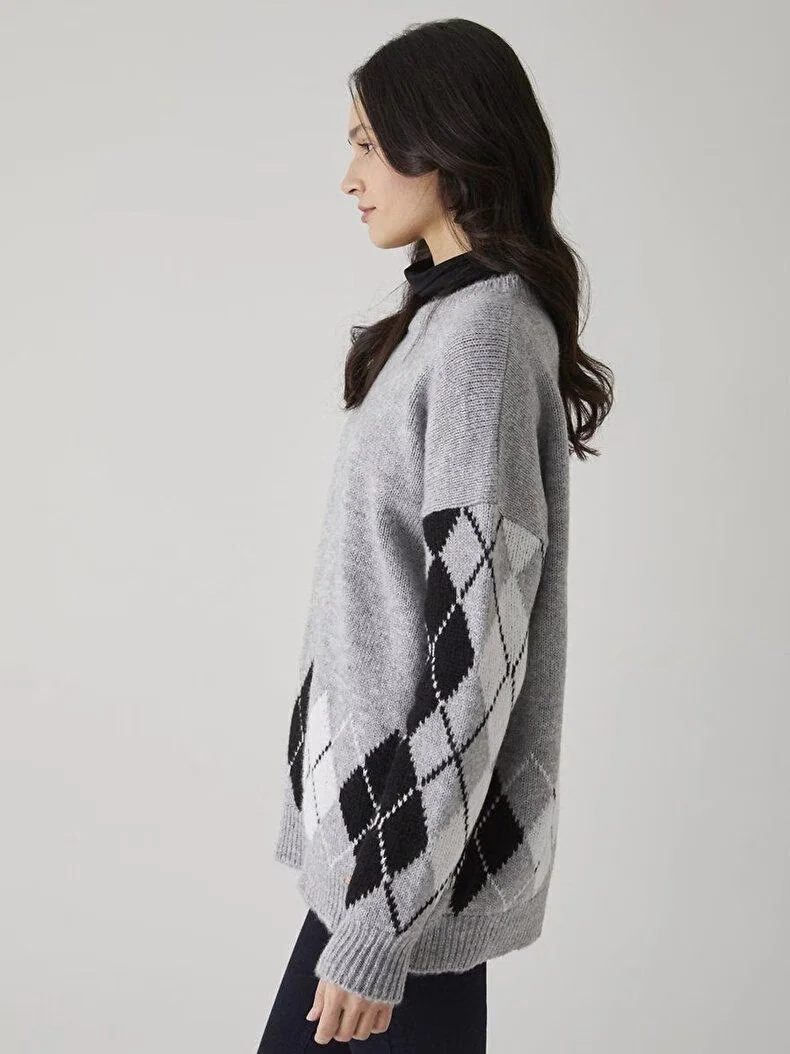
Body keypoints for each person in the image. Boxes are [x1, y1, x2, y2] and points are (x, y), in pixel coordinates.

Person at [257, 16, 613, 1051]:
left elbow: (474, 655)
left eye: (368, 143)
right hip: (388, 858)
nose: (350, 177)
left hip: (399, 882)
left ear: (443, 142)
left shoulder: (484, 339)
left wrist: (381, 922)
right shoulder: (443, 323)